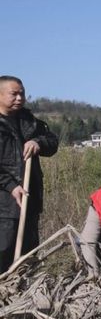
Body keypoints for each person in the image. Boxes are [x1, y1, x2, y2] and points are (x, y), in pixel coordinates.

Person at [0, 76, 59, 273]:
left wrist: (38, 142)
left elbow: (52, 142)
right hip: (4, 204)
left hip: (30, 197)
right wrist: (10, 186)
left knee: (29, 252)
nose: (19, 98)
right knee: (4, 250)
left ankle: (25, 292)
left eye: (22, 93)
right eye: (13, 94)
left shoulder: (29, 122)